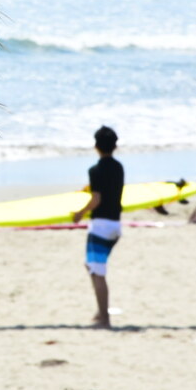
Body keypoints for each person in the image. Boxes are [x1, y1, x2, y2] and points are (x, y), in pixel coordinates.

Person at [72, 126, 124, 329]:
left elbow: (97, 198)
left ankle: (104, 319)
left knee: (98, 272)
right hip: (115, 225)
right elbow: (107, 188)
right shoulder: (119, 167)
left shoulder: (95, 170)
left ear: (96, 146)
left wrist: (79, 214)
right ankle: (100, 311)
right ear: (115, 146)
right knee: (91, 266)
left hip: (100, 226)